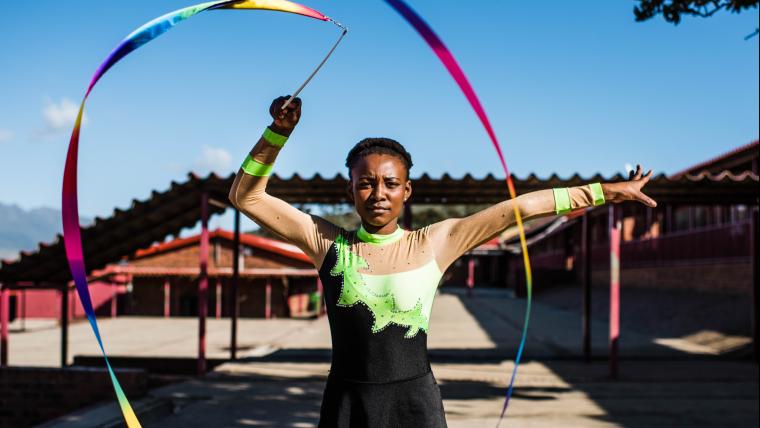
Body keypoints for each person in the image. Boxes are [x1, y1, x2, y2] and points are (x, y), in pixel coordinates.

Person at [229, 96, 657, 427]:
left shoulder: (437, 240)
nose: (378, 193)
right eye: (366, 183)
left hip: (415, 402)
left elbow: (522, 208)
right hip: (347, 402)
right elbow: (246, 196)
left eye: (390, 183)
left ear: (406, 191)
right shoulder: (328, 244)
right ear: (351, 191)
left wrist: (607, 191)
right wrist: (277, 132)